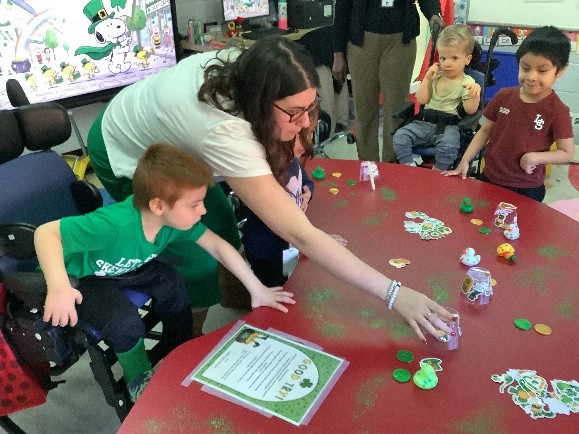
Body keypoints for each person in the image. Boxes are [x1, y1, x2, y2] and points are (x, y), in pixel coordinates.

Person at [86, 36, 454, 343]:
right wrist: (395, 294)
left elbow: (284, 161)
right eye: (294, 112)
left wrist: (296, 191)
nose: (305, 122)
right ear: (261, 102)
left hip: (174, 140)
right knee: (196, 259)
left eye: (310, 107)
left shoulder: (255, 71)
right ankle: (185, 345)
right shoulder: (223, 134)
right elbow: (299, 234)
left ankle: (238, 299)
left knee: (224, 226)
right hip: (123, 149)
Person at [34, 143, 295, 402]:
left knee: (172, 283)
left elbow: (219, 247)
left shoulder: (172, 221)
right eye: (194, 205)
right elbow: (46, 233)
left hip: (123, 266)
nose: (203, 211)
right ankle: (137, 375)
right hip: (81, 277)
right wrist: (58, 287)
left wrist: (257, 289)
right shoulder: (115, 224)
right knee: (124, 322)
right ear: (158, 206)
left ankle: (179, 346)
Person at [443, 26, 575, 202]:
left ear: (560, 70)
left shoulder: (558, 110)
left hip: (526, 187)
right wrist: (465, 160)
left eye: (542, 70)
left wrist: (534, 157)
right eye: (525, 68)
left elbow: (567, 152)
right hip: (490, 178)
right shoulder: (504, 95)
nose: (531, 77)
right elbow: (485, 131)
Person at [333, 0, 445, 163]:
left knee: (396, 109)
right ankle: (367, 165)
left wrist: (433, 14)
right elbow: (342, 7)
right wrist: (338, 53)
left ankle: (392, 166)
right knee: (364, 108)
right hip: (361, 41)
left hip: (400, 40)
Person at [393, 24, 481, 171]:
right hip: (423, 122)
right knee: (400, 137)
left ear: (467, 59)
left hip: (448, 127)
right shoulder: (435, 76)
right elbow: (421, 100)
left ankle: (439, 170)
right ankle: (408, 166)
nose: (447, 63)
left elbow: (470, 111)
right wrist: (427, 78)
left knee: (449, 146)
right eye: (443, 58)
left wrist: (474, 96)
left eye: (454, 58)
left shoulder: (468, 82)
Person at [298, 26, 350, 134]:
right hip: (318, 52)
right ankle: (329, 135)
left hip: (335, 48)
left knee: (341, 112)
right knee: (329, 108)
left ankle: (338, 134)